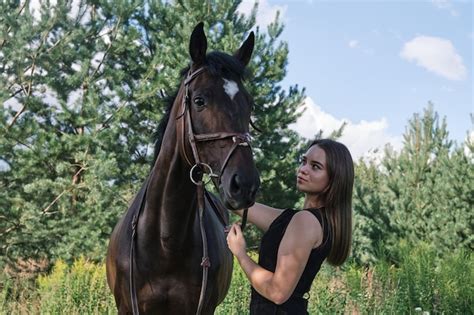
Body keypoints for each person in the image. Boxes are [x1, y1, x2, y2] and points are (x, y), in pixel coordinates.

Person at [226, 138, 354, 314]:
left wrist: (240, 253)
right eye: (304, 162)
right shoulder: (297, 219)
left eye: (315, 166)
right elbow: (240, 205)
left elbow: (277, 292)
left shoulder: (305, 222)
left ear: (334, 180)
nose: (303, 169)